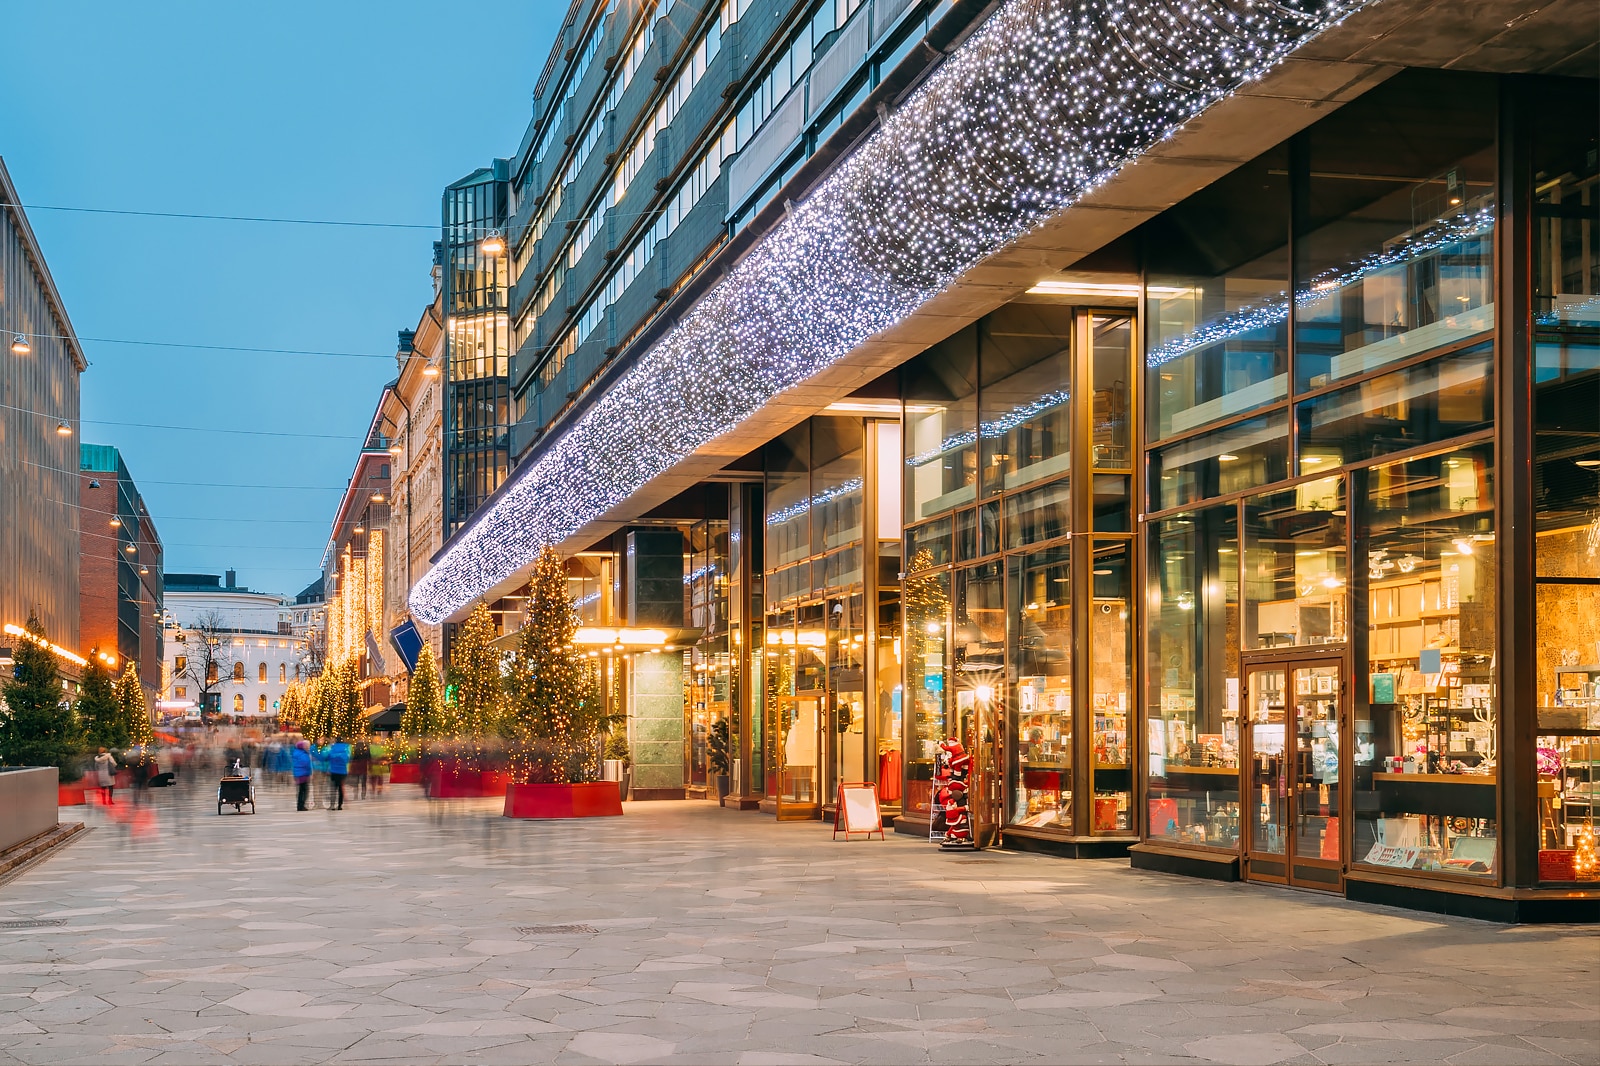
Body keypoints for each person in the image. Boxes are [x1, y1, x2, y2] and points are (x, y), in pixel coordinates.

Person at [326, 738, 351, 811]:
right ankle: (340, 805)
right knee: (340, 788)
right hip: (343, 771)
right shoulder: (346, 747)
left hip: (333, 770)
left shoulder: (332, 747)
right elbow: (348, 758)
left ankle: (332, 805)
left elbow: (328, 757)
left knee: (333, 788)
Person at [291, 740, 312, 811]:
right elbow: (306, 763)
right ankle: (301, 806)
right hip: (303, 774)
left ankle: (300, 805)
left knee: (301, 790)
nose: (308, 747)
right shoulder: (302, 754)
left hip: (298, 773)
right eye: (307, 746)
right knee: (304, 790)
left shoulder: (297, 752)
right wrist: (309, 773)